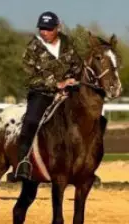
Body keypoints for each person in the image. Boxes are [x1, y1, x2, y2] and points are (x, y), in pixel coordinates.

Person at [15, 11, 82, 181]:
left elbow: (78, 66)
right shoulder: (32, 48)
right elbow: (29, 76)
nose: (44, 32)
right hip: (42, 93)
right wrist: (56, 84)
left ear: (57, 28)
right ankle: (22, 162)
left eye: (48, 29)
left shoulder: (69, 44)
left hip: (69, 92)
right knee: (30, 121)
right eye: (42, 29)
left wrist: (73, 80)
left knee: (90, 117)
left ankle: (86, 166)